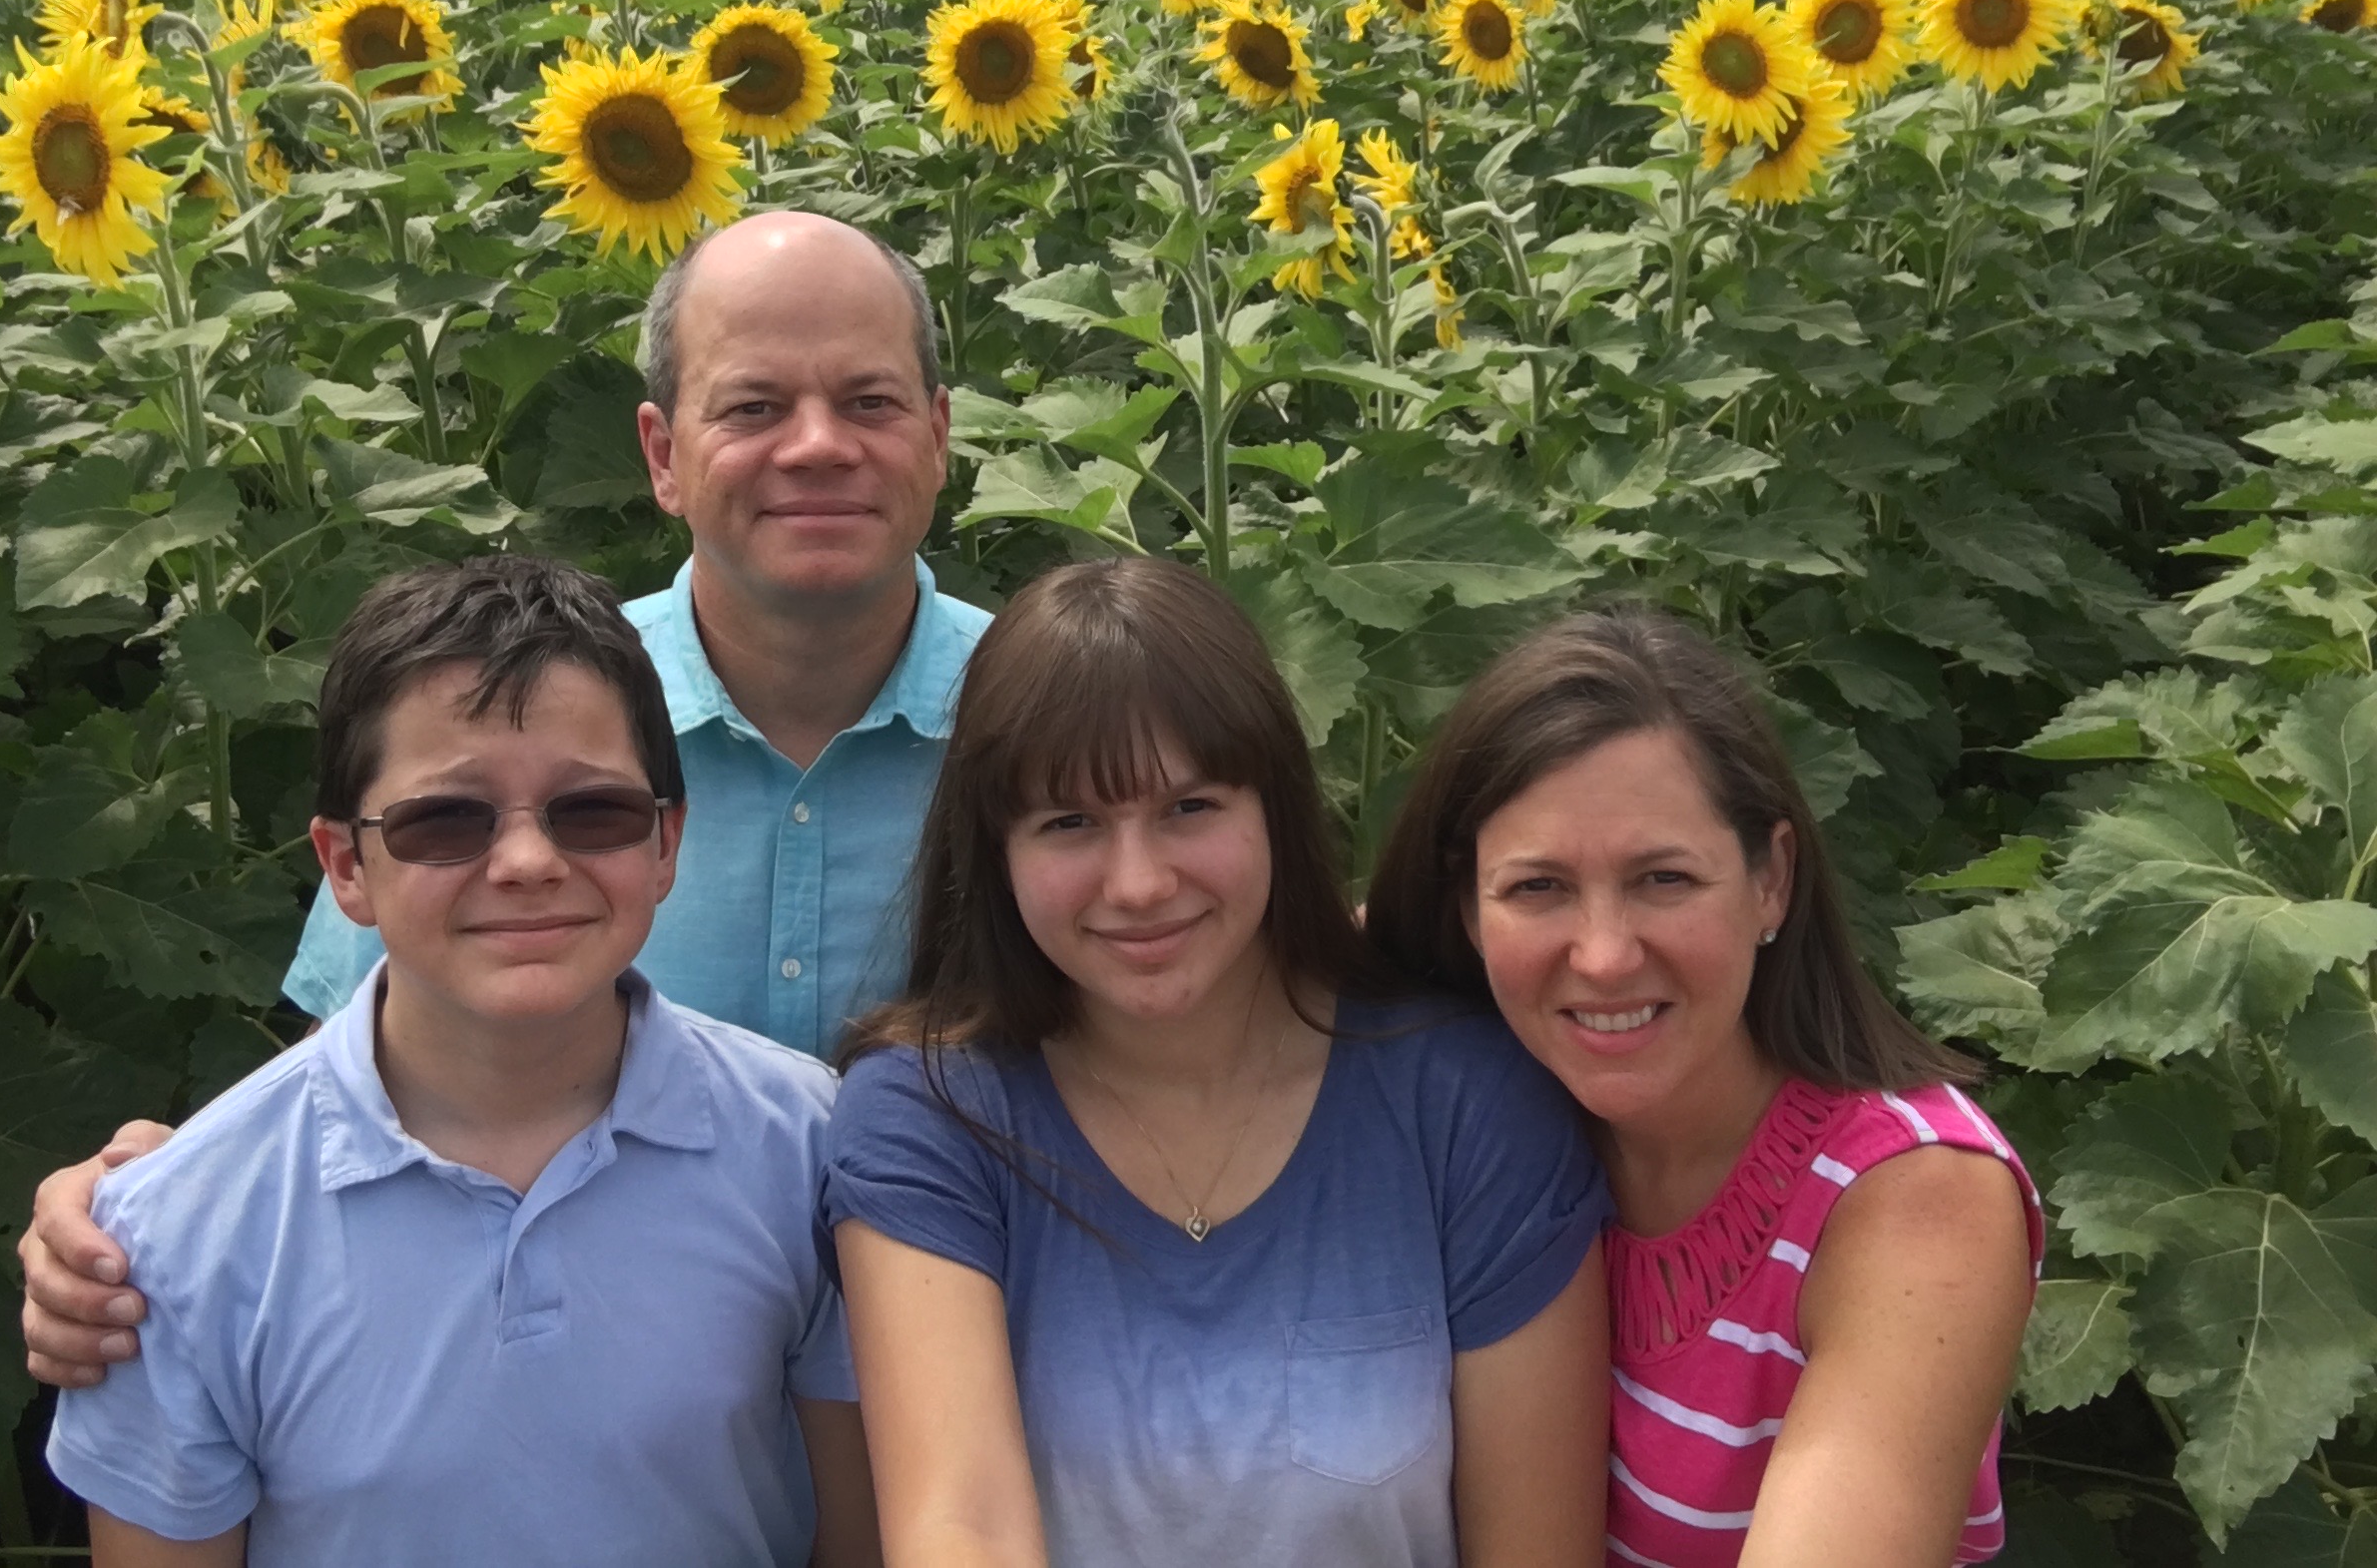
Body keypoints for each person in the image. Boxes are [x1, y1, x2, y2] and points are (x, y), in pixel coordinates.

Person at [20, 209, 989, 1387]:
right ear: (660, 454)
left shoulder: (1053, 743)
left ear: (940, 435)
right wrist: (145, 1205)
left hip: (997, 1413)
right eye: (752, 406)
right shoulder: (492, 733)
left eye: (871, 401)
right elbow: (337, 1117)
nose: (817, 444)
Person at [45, 555, 879, 1567]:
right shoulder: (182, 1233)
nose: (528, 863)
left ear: (666, 843)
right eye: (446, 820)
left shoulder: (809, 1149)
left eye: (592, 812)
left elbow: (863, 1535)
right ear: (346, 865)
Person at [821, 558, 1612, 1568]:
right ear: (996, 851)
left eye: (1190, 807)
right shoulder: (929, 1116)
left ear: (1273, 808)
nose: (1140, 882)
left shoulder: (1464, 1098)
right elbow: (959, 1526)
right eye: (1069, 823)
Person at [1363, 608, 2041, 1568]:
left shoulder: (1915, 1200)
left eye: (1664, 879)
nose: (1602, 957)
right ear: (1469, 910)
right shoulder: (1492, 1102)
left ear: (1771, 880)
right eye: (1537, 888)